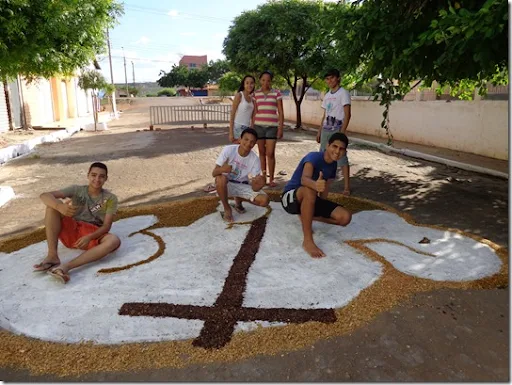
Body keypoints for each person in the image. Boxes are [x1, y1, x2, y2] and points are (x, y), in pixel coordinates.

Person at [33, 162, 121, 284]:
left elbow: (106, 226)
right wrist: (59, 206)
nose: (97, 179)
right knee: (51, 207)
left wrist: (89, 237)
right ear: (88, 175)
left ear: (106, 178)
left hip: (91, 235)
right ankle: (52, 256)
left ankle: (65, 267)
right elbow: (44, 195)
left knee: (113, 240)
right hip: (72, 231)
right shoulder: (77, 190)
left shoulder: (110, 198)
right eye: (93, 175)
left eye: (101, 176)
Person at [281, 132, 352, 258]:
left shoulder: (333, 165)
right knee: (309, 190)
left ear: (345, 152)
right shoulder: (314, 157)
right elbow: (304, 179)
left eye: (341, 149)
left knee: (345, 218)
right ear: (327, 145)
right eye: (334, 147)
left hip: (310, 198)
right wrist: (315, 185)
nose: (337, 151)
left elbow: (325, 189)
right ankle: (307, 241)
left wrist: (320, 207)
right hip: (290, 198)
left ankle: (306, 215)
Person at [212, 128, 269, 223]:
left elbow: (254, 188)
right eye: (246, 139)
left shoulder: (255, 159)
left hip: (243, 185)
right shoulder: (228, 150)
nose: (248, 144)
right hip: (227, 185)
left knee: (264, 200)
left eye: (252, 142)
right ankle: (227, 208)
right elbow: (214, 173)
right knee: (220, 178)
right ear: (240, 139)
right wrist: (222, 169)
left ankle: (238, 202)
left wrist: (259, 185)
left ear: (254, 144)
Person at [316, 69, 352, 195]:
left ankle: (347, 187)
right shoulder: (327, 95)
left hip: (337, 130)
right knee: (324, 157)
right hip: (326, 130)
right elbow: (325, 115)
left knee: (341, 159)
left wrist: (342, 133)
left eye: (332, 78)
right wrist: (319, 131)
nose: (329, 81)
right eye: (327, 79)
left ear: (338, 78)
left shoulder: (344, 93)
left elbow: (348, 115)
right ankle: (321, 184)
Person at [253, 70, 284, 187]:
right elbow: (255, 112)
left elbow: (280, 112)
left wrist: (280, 128)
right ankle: (264, 176)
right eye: (263, 80)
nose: (266, 82)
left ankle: (271, 178)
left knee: (270, 153)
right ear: (260, 81)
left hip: (272, 127)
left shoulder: (276, 93)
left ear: (271, 81)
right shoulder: (255, 94)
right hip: (258, 126)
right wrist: (252, 127)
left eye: (268, 80)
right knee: (261, 152)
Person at [229, 75, 256, 143]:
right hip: (238, 127)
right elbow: (232, 114)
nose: (249, 85)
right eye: (247, 83)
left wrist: (252, 128)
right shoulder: (239, 95)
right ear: (243, 84)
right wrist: (231, 132)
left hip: (248, 128)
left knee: (245, 151)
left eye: (251, 83)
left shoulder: (253, 99)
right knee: (237, 150)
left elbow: (253, 116)